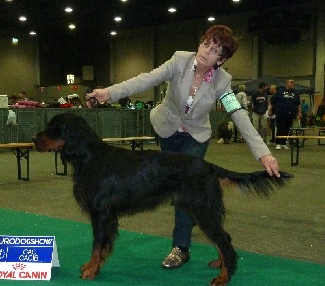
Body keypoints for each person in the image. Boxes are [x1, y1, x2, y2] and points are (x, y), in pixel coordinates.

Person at [87, 25, 280, 269]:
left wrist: (263, 153)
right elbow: (145, 79)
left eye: (215, 50)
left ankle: (181, 247)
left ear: (221, 59)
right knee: (172, 187)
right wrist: (108, 93)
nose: (206, 51)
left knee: (186, 193)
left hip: (195, 138)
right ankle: (198, 219)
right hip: (167, 130)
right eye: (206, 44)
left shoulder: (223, 82)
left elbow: (238, 114)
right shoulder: (179, 60)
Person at [267, 79, 301, 150]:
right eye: (290, 82)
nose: (292, 84)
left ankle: (284, 143)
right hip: (280, 114)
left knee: (287, 129)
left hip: (290, 114)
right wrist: (270, 110)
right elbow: (273, 102)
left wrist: (299, 112)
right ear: (287, 83)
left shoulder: (295, 93)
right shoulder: (280, 91)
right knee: (280, 128)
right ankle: (278, 143)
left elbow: (298, 104)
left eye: (293, 83)